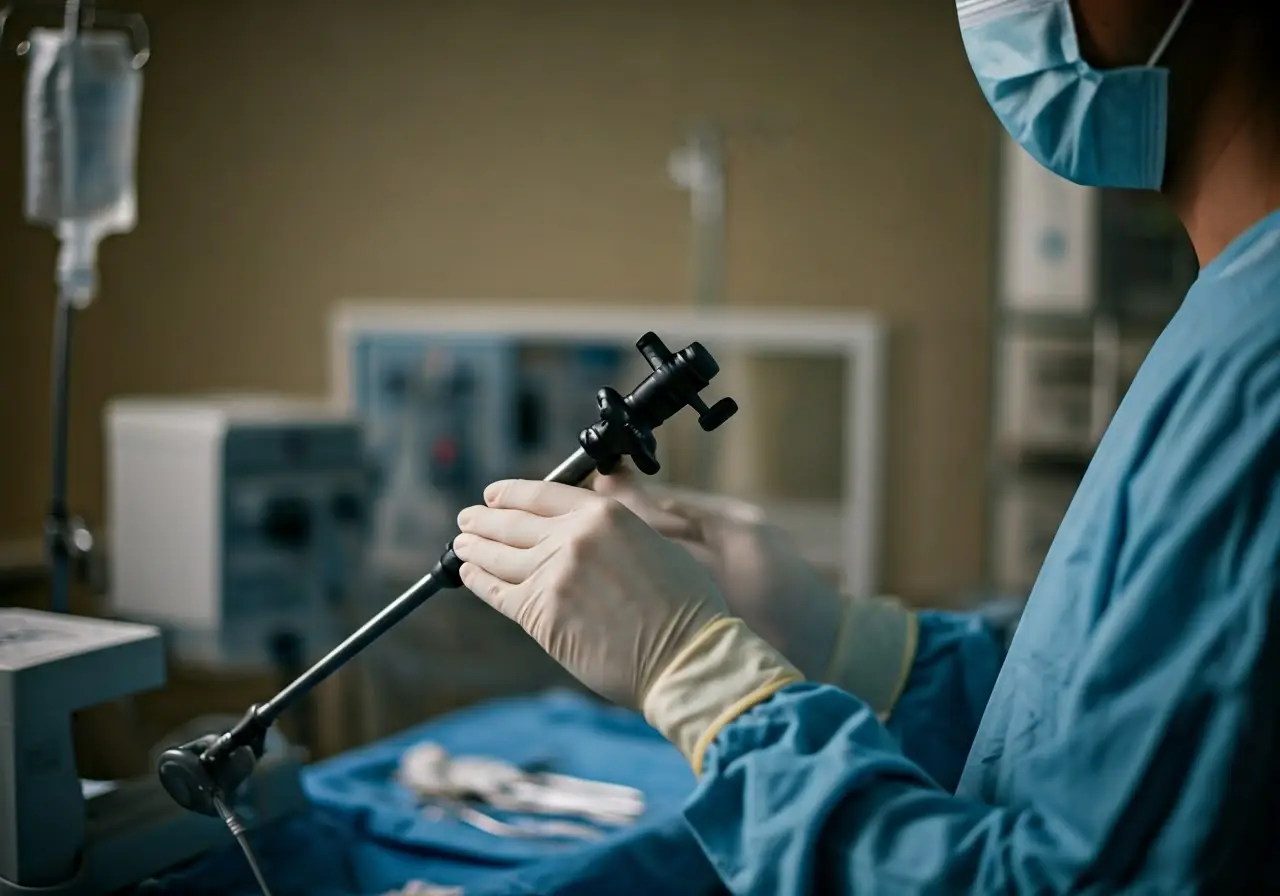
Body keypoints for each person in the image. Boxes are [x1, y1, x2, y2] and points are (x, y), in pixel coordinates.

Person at [451, 0, 1280, 890]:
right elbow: (1096, 727)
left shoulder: (1261, 357)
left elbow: (1077, 876)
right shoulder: (1230, 306)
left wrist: (696, 671)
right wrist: (843, 642)